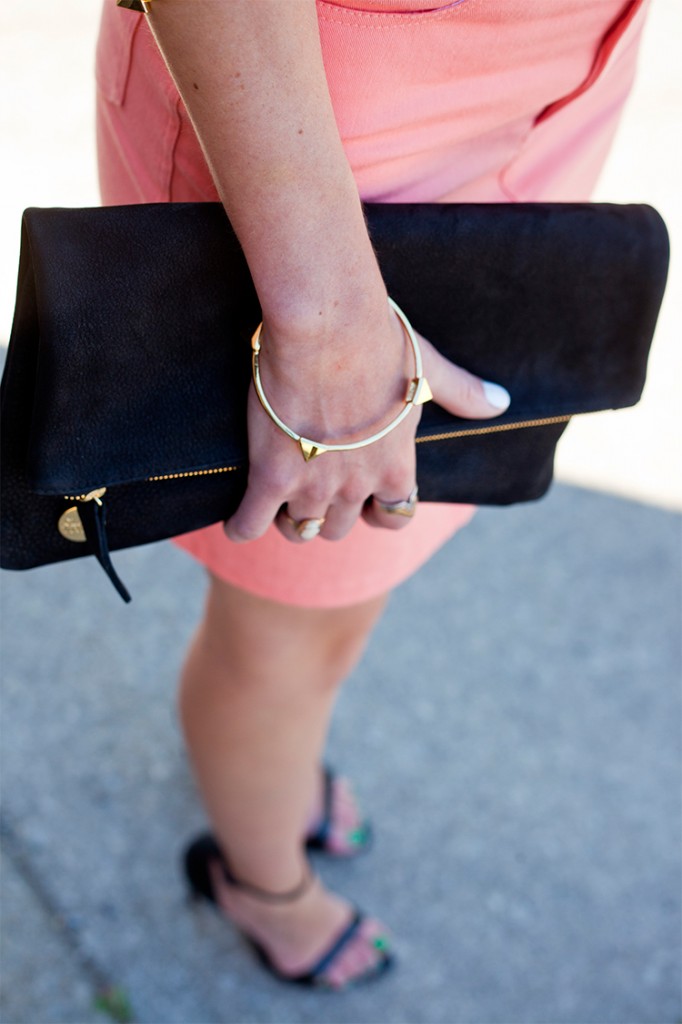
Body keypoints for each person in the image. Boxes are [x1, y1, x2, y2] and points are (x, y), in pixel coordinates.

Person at [95, 0, 650, 991]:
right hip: (313, 142)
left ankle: (276, 771)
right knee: (290, 622)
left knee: (349, 584)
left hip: (552, 85)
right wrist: (325, 326)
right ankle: (258, 876)